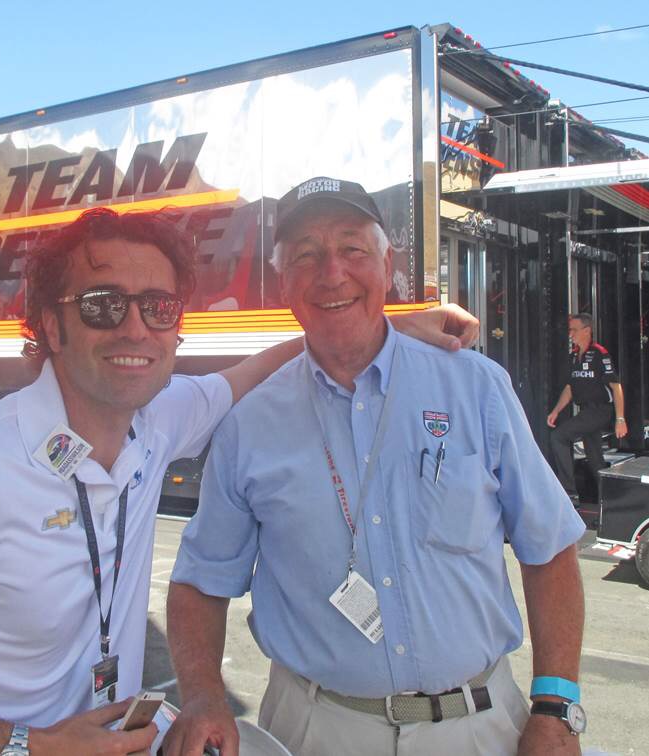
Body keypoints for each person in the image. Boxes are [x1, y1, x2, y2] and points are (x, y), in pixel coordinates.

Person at [0, 206, 476, 755]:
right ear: (51, 325)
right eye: (103, 305)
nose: (134, 328)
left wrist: (383, 329)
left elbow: (254, 370)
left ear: (175, 327)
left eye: (157, 307)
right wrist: (27, 745)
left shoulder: (155, 421)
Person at [166, 177, 587, 756]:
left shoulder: (475, 388)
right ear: (283, 281)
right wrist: (204, 697)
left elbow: (552, 548)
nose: (331, 272)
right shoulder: (250, 423)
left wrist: (556, 709)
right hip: (315, 729)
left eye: (352, 249)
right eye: (306, 255)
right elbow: (200, 581)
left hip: (480, 726)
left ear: (387, 265)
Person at [547, 313, 627, 503]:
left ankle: (569, 492)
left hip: (600, 410)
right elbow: (569, 388)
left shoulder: (599, 353)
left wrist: (620, 419)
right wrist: (556, 411)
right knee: (594, 457)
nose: (571, 334)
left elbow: (616, 387)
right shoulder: (574, 356)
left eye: (574, 329)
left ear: (587, 331)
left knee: (558, 436)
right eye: (569, 330)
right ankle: (610, 500)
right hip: (586, 411)